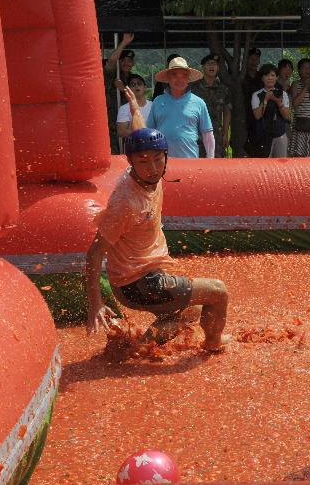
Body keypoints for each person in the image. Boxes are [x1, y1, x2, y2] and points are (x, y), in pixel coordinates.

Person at [85, 118, 231, 352]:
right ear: (130, 161)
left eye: (157, 159)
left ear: (165, 157)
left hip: (145, 277)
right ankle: (213, 342)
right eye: (143, 161)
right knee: (218, 292)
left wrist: (134, 108)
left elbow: (141, 131)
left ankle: (138, 348)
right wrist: (95, 304)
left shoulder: (148, 174)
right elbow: (94, 253)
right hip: (138, 283)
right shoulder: (126, 203)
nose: (152, 167)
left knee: (189, 312)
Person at [146, 57, 214, 159]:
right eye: (174, 75)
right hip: (162, 162)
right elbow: (149, 132)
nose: (179, 79)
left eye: (184, 75)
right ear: (168, 78)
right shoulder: (157, 101)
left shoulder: (199, 103)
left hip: (190, 160)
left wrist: (211, 159)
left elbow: (207, 134)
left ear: (188, 79)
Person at [190, 54, 232, 158]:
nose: (211, 67)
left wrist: (225, 133)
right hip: (197, 134)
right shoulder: (193, 88)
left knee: (217, 166)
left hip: (216, 135)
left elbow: (227, 111)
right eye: (208, 64)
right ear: (203, 67)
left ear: (218, 68)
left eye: (214, 64)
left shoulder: (223, 89)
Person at [103, 32, 136, 154]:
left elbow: (139, 100)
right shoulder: (113, 76)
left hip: (129, 124)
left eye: (129, 60)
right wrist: (123, 43)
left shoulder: (135, 80)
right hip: (113, 125)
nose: (126, 63)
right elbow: (111, 63)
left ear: (133, 63)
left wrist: (123, 89)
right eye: (123, 60)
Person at [251, 63, 291, 158]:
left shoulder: (283, 94)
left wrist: (278, 102)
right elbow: (257, 116)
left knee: (281, 166)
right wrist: (265, 100)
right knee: (264, 166)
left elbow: (287, 116)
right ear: (262, 78)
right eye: (266, 75)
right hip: (263, 136)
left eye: (272, 75)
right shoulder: (256, 95)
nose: (270, 78)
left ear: (277, 77)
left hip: (280, 134)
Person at [235, 47, 262, 158]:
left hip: (258, 119)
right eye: (251, 59)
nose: (254, 62)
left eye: (256, 59)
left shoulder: (262, 77)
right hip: (242, 118)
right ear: (245, 60)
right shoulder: (239, 77)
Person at [116, 74, 151, 139]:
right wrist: (143, 134)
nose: (136, 86)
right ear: (129, 89)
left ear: (145, 87)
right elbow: (121, 131)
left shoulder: (154, 106)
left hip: (154, 145)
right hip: (134, 147)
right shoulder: (124, 108)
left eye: (139, 83)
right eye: (133, 85)